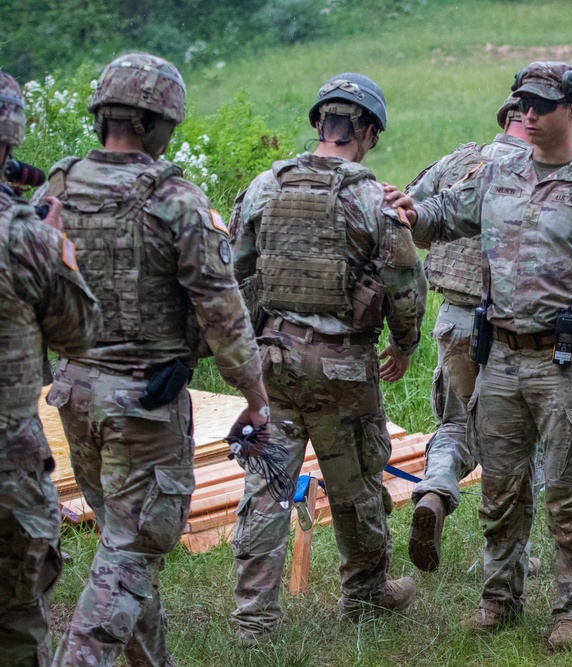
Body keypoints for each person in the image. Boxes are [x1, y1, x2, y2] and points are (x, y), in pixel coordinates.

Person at [388, 61, 572, 650]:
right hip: (501, 356)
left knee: (570, 492)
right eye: (522, 103)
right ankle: (499, 601)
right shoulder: (498, 173)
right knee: (502, 491)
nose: (529, 114)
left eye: (542, 105)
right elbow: (440, 218)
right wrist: (407, 209)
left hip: (570, 361)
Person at [38, 53, 269, 666]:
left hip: (73, 395)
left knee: (125, 544)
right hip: (144, 406)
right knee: (132, 554)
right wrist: (255, 397)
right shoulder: (176, 199)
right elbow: (221, 311)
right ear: (156, 123)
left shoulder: (58, 186)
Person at [227, 73, 425, 643]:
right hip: (343, 371)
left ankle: (253, 620)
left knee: (265, 487)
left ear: (320, 123)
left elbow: (236, 273)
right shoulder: (372, 198)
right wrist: (405, 346)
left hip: (273, 365)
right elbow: (405, 286)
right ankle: (365, 595)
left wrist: (251, 344)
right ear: (365, 131)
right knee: (356, 484)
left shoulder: (263, 188)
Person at [405, 94, 539, 574]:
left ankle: (437, 491)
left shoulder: (455, 163)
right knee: (523, 439)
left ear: (503, 120)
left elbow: (409, 221)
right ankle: (513, 554)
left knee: (456, 425)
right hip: (517, 330)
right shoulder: (550, 171)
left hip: (457, 320)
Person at [0, 71, 100, 667]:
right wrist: (55, 242)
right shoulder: (25, 237)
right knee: (14, 627)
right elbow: (79, 333)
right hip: (7, 459)